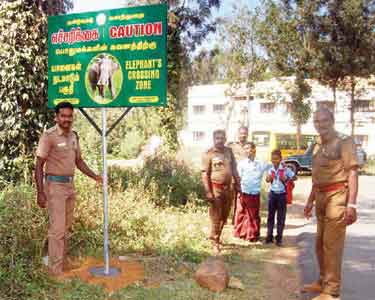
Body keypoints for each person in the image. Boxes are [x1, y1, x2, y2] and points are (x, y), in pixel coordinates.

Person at [35, 102, 102, 277]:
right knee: (57, 230)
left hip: (70, 186)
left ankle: (62, 263)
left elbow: (78, 161)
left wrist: (95, 176)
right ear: (57, 117)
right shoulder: (48, 136)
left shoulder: (73, 136)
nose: (66, 119)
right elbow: (39, 164)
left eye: (69, 116)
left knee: (65, 227)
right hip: (54, 186)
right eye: (63, 116)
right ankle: (54, 272)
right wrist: (40, 192)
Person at [302, 108, 359, 300]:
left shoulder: (344, 141)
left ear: (332, 120)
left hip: (337, 196)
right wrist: (310, 201)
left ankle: (332, 291)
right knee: (319, 243)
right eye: (317, 121)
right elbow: (316, 176)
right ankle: (322, 280)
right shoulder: (317, 144)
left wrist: (351, 205)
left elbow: (352, 172)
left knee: (331, 245)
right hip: (320, 196)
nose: (320, 124)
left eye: (324, 120)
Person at [201, 129, 241, 254]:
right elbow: (204, 174)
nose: (219, 140)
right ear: (213, 139)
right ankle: (215, 241)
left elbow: (234, 168)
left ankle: (216, 235)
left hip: (228, 189)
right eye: (217, 138)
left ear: (225, 139)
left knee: (224, 216)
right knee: (216, 217)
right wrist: (208, 191)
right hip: (215, 188)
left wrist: (238, 183)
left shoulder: (229, 151)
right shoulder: (209, 153)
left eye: (222, 138)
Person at [234, 142, 269, 242]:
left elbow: (272, 167)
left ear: (254, 149)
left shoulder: (261, 163)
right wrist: (238, 190)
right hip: (243, 192)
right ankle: (240, 233)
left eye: (248, 148)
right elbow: (238, 178)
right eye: (245, 149)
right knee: (240, 213)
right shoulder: (242, 164)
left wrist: (270, 176)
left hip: (254, 193)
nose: (246, 151)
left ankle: (252, 235)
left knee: (253, 215)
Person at [265, 149, 296, 247]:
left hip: (282, 195)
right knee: (270, 217)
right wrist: (268, 178)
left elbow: (295, 177)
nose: (274, 161)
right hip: (272, 194)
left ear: (280, 159)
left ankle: (279, 238)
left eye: (276, 159)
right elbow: (267, 179)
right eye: (272, 159)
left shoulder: (285, 169)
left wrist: (286, 178)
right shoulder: (270, 168)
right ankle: (269, 237)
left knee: (281, 218)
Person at [227, 126, 249, 223]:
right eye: (241, 133)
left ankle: (240, 218)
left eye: (245, 133)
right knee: (231, 198)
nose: (243, 135)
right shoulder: (231, 146)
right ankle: (231, 218)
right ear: (238, 134)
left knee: (243, 198)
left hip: (245, 177)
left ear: (247, 134)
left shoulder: (249, 146)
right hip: (233, 176)